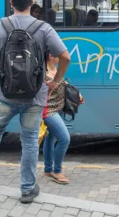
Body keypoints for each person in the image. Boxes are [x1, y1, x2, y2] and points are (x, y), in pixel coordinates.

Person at [0, 0, 70, 204]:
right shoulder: (44, 28)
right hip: (35, 96)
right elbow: (65, 57)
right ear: (32, 3)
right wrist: (55, 82)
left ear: (11, 3)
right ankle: (27, 188)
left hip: (6, 95)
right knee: (30, 139)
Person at [42, 52, 84, 184]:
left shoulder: (56, 69)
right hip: (48, 111)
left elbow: (64, 83)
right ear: (50, 55)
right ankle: (57, 171)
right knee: (64, 139)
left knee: (51, 139)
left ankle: (48, 169)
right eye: (56, 54)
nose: (59, 55)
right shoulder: (43, 73)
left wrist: (78, 95)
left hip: (58, 108)